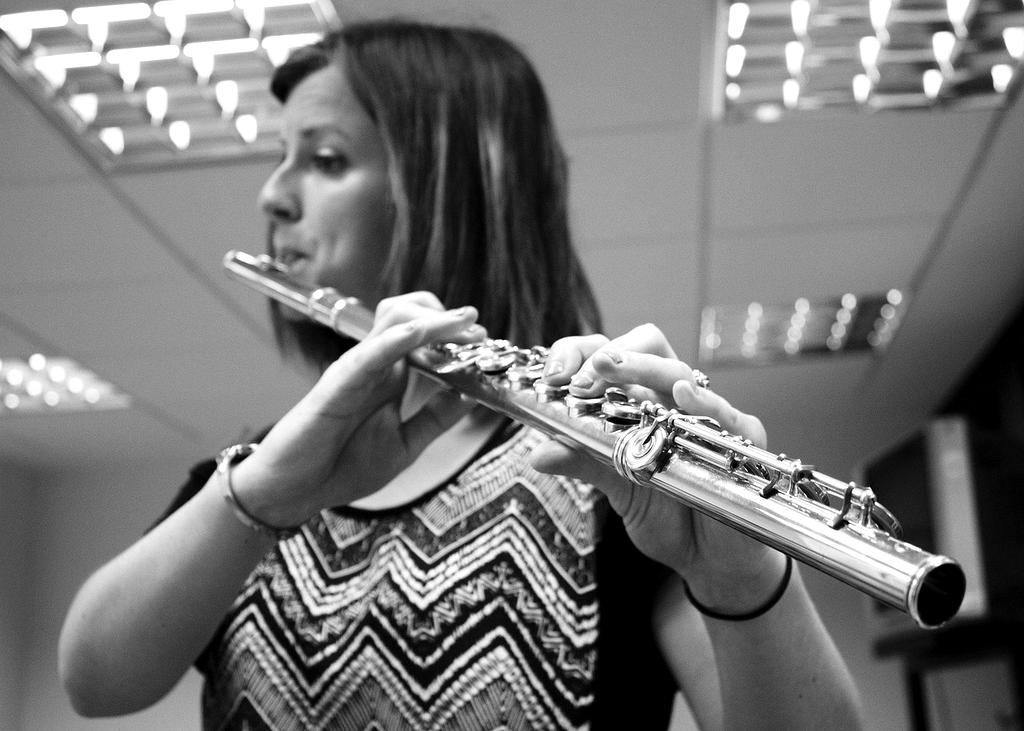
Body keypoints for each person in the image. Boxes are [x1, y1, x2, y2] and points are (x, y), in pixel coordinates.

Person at [58, 19, 866, 730]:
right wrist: (261, 497)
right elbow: (94, 679)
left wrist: (744, 569)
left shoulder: (609, 477)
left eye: (326, 159)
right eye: (282, 159)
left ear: (456, 186)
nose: (272, 195)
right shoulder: (251, 477)